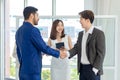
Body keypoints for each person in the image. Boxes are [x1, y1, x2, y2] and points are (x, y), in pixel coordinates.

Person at [15, 6, 67, 80]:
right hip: (33, 71)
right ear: (31, 16)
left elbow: (18, 51)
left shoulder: (18, 31)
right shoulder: (33, 30)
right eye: (37, 15)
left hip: (23, 71)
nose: (38, 18)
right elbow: (43, 47)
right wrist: (58, 53)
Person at [68, 10, 106, 80]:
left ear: (87, 20)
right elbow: (76, 48)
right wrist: (67, 53)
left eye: (81, 19)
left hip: (92, 69)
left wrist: (95, 69)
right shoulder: (80, 34)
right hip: (82, 69)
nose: (80, 21)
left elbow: (101, 53)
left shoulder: (99, 33)